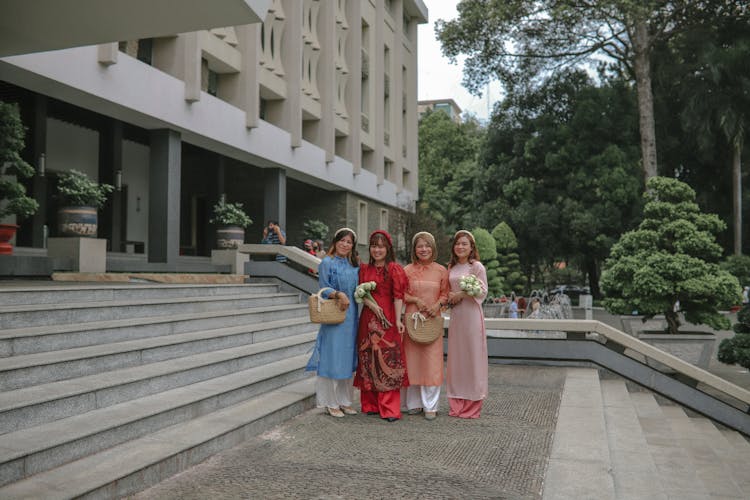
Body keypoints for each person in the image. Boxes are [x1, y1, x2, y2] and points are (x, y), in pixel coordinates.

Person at [353, 229, 408, 422]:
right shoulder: (364, 269)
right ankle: (370, 404)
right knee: (368, 358)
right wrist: (373, 306)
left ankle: (390, 408)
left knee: (388, 359)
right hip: (368, 319)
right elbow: (359, 294)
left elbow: (398, 295)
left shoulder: (394, 268)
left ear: (388, 248)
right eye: (374, 246)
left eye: (381, 246)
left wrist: (399, 319)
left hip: (388, 320)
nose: (377, 250)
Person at [305, 228, 360, 418]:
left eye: (349, 242)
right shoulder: (327, 262)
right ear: (335, 242)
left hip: (352, 316)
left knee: (348, 358)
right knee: (331, 356)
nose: (345, 245)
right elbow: (323, 286)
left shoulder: (354, 264)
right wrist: (338, 293)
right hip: (334, 315)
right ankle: (330, 401)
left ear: (353, 246)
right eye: (342, 241)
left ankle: (345, 400)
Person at [403, 231, 449, 420]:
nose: (423, 249)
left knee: (432, 362)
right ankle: (414, 403)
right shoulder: (406, 270)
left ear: (433, 248)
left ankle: (431, 405)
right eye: (420, 246)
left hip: (432, 320)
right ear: (414, 249)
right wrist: (416, 300)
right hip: (412, 319)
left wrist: (437, 305)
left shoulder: (441, 270)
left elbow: (445, 294)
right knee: (412, 361)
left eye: (427, 245)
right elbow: (400, 294)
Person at [446, 230, 488, 419]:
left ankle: (472, 403)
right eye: (457, 243)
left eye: (464, 244)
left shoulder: (476, 266)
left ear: (471, 247)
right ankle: (456, 402)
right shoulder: (451, 267)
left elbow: (482, 290)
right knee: (456, 358)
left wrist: (461, 295)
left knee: (473, 358)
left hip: (471, 316)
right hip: (457, 317)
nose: (460, 247)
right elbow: (447, 291)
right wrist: (449, 299)